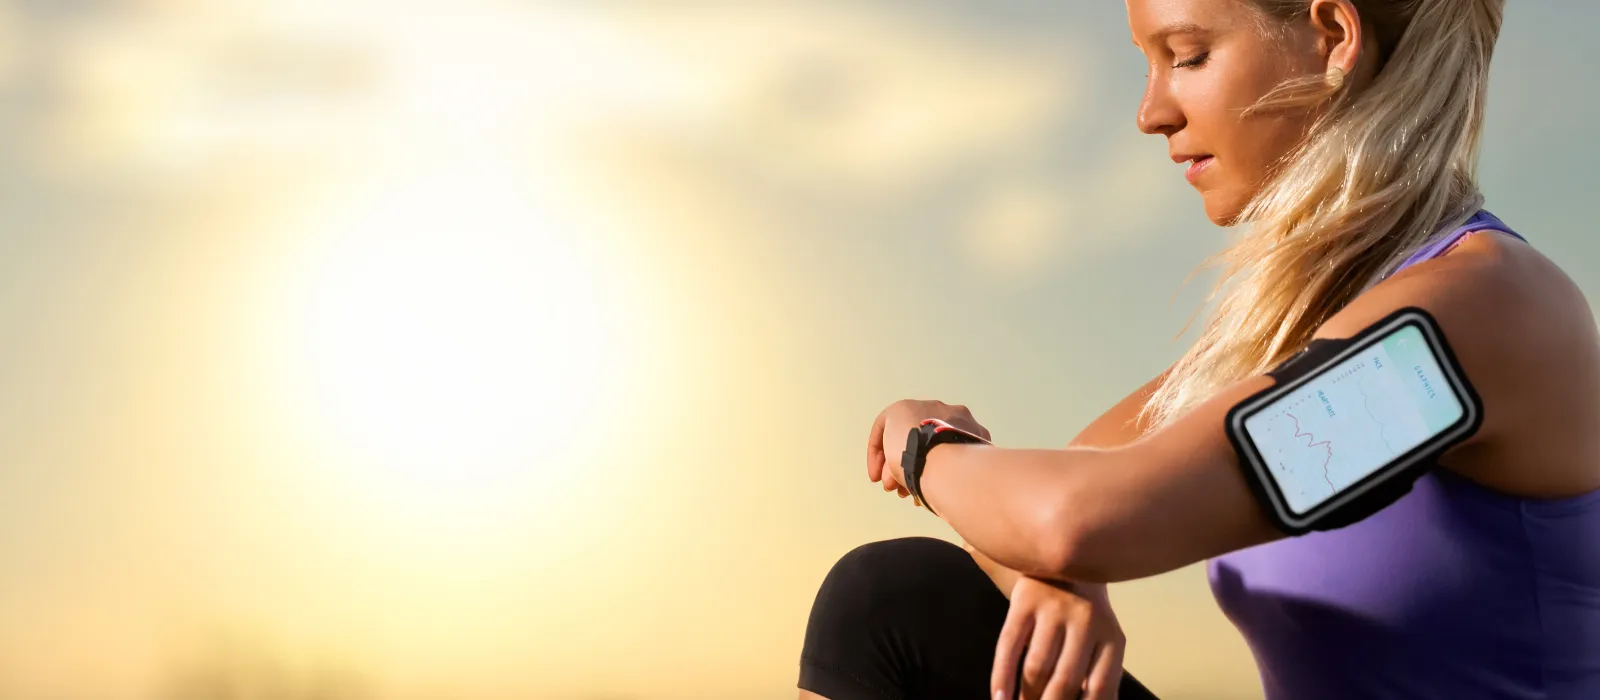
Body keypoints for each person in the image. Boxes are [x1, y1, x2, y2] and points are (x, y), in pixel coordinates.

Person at [796, 0, 1600, 699]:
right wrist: (1060, 573)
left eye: (1186, 56)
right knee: (895, 602)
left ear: (1332, 36)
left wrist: (926, 444)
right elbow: (1040, 512)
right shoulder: (1294, 333)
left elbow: (1074, 515)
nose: (1151, 112)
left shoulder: (1481, 322)